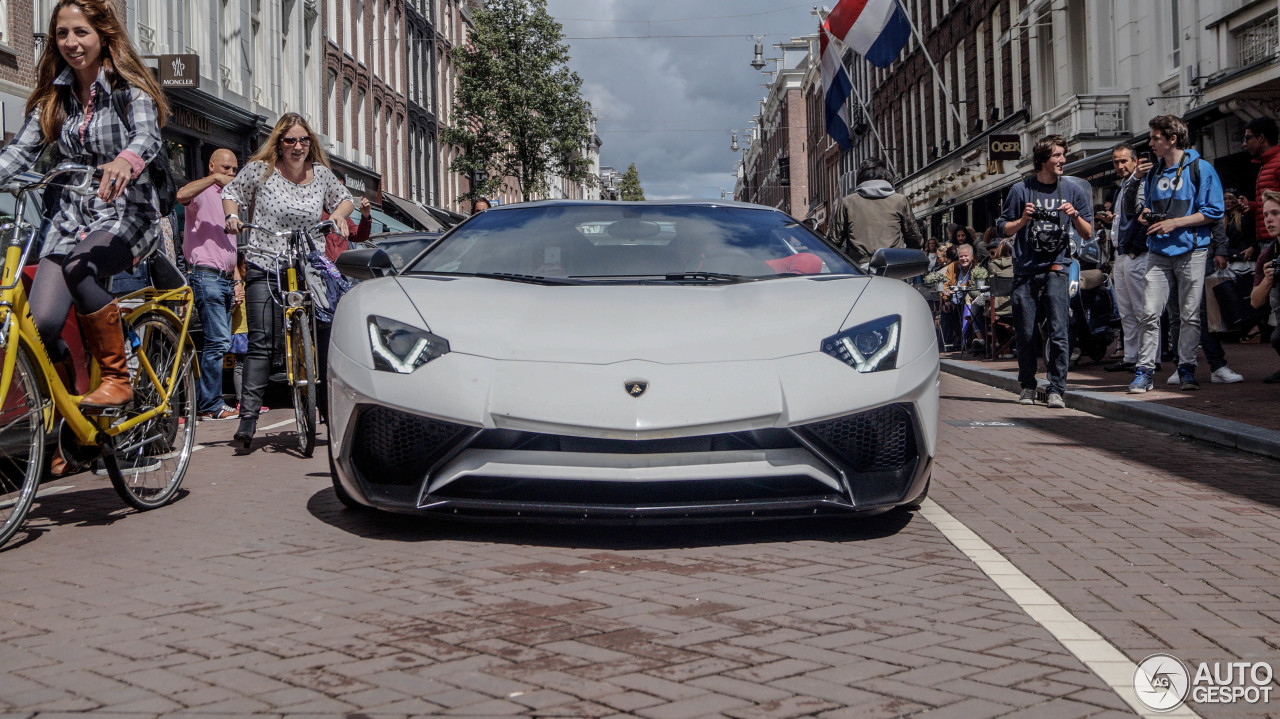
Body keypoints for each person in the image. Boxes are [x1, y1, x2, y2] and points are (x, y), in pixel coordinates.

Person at [0, 0, 168, 418]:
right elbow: (18, 153)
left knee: (80, 268)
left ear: (103, 35)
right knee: (41, 328)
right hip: (71, 216)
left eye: (81, 32)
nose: (71, 42)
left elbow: (148, 137)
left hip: (127, 212)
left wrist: (125, 161)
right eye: (62, 34)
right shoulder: (53, 98)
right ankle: (71, 414)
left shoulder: (129, 90)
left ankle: (117, 379)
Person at [222, 113, 354, 448]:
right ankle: (247, 422)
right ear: (279, 143)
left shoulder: (321, 175)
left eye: (303, 140)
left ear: (311, 143)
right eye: (290, 140)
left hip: (308, 264)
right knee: (261, 343)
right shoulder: (261, 170)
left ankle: (326, 408)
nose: (297, 147)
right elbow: (231, 191)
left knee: (325, 332)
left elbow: (345, 199)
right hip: (265, 262)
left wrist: (338, 215)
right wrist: (233, 216)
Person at [1124, 115, 1224, 392]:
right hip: (1158, 250)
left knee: (1190, 315)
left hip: (1192, 250)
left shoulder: (1201, 169)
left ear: (1172, 139)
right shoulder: (1155, 173)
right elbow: (1146, 205)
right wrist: (1147, 215)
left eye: (1156, 137)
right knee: (1149, 313)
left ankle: (1186, 368)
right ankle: (1144, 371)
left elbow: (1214, 211)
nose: (1151, 143)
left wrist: (1174, 222)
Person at [996, 134, 1093, 409]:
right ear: (1042, 160)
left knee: (1059, 329)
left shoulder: (1072, 190)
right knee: (1026, 332)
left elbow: (1087, 232)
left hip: (1057, 266)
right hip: (1026, 269)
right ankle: (1028, 386)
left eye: (1063, 155)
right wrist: (1023, 219)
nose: (1063, 160)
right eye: (1057, 155)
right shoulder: (1021, 190)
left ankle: (1056, 389)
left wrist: (1074, 216)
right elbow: (1003, 229)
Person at [177, 148, 242, 420]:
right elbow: (181, 195)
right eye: (225, 168)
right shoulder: (202, 192)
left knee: (220, 343)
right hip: (206, 275)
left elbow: (231, 244)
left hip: (226, 278)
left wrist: (238, 280)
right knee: (218, 341)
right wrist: (214, 179)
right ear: (212, 166)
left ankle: (208, 401)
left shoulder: (233, 199)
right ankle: (209, 405)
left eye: (233, 170)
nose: (229, 174)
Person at [827, 157, 923, 265]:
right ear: (887, 176)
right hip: (893, 267)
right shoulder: (899, 200)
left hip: (860, 268)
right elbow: (914, 237)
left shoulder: (847, 202)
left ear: (860, 178)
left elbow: (833, 241)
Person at [1106, 144, 1147, 374]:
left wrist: (1136, 248)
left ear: (1135, 161)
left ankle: (1148, 357)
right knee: (1125, 310)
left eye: (1124, 161)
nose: (1120, 166)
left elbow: (1144, 216)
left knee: (1141, 308)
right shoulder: (1122, 187)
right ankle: (1132, 356)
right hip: (1120, 253)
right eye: (1116, 162)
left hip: (1133, 253)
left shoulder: (1140, 183)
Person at [1251, 190, 1280, 383]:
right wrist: (1268, 279)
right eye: (1265, 215)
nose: (1268, 220)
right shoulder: (1268, 255)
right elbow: (1255, 301)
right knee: (1278, 337)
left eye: (1275, 214)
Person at [1247, 117, 1280, 253]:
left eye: (1248, 138)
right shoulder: (1265, 164)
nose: (1244, 143)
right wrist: (1252, 205)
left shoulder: (1276, 163)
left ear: (1261, 138)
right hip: (1269, 240)